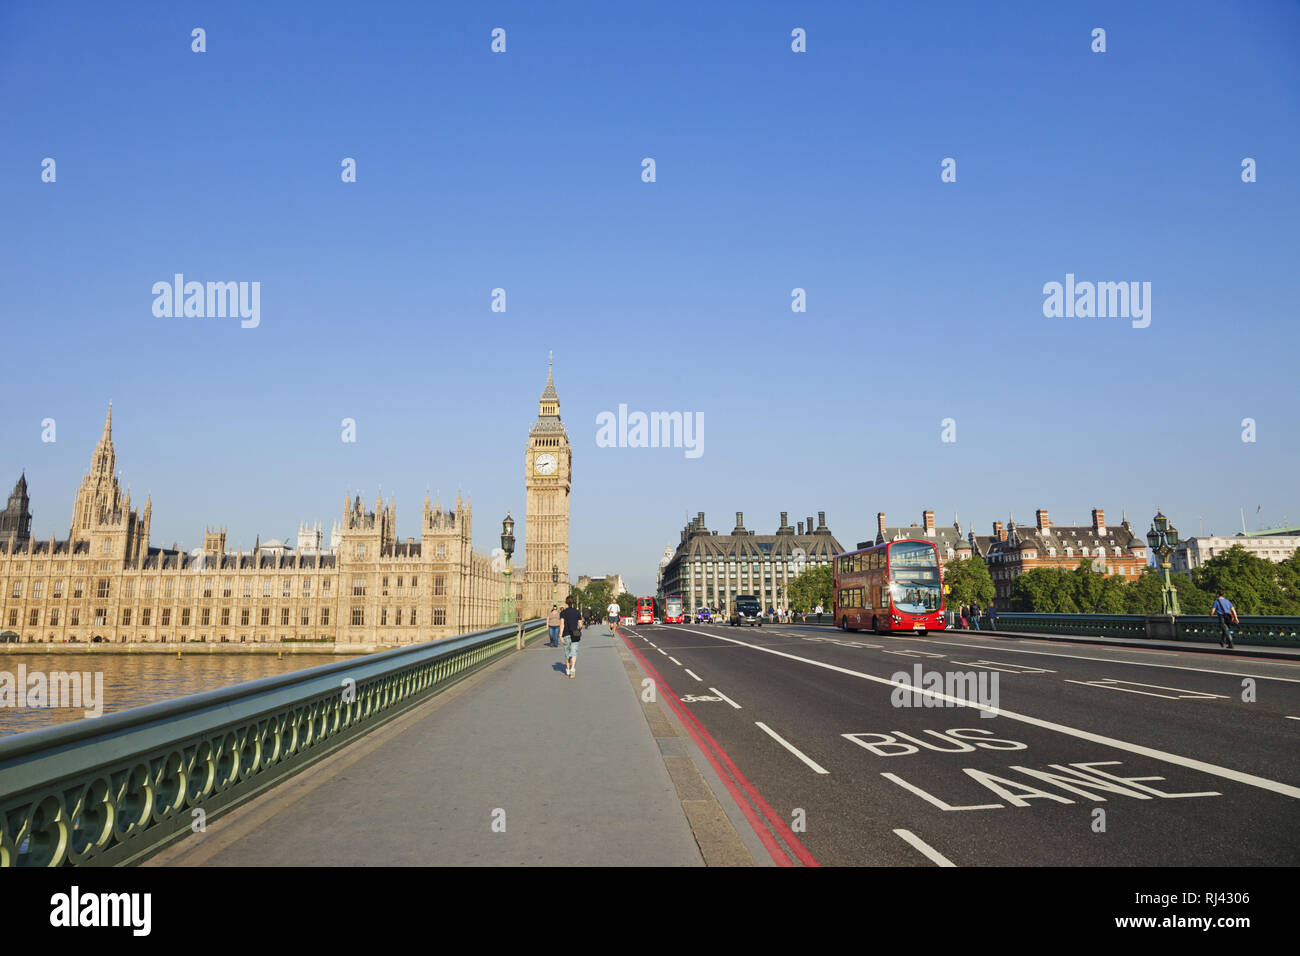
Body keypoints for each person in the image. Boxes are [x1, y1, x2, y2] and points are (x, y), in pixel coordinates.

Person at [560, 595, 582, 678]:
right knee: (574, 653)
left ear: (566, 602)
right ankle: (573, 669)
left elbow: (562, 624)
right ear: (573, 602)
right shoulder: (577, 612)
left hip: (566, 634)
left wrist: (560, 635)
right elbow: (580, 625)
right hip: (575, 634)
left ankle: (568, 670)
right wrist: (579, 629)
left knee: (567, 653)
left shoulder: (563, 612)